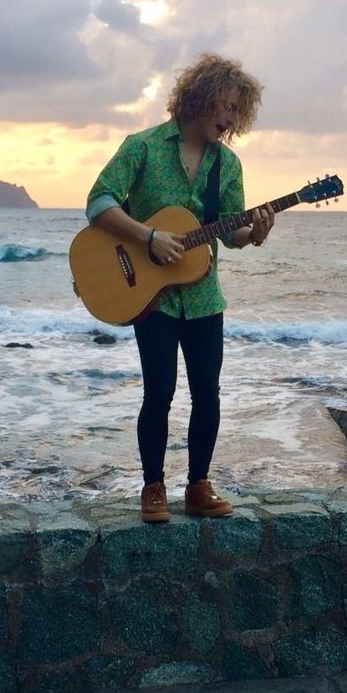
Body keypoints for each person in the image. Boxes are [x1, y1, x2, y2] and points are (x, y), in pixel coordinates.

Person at [85, 53, 275, 523]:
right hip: (153, 297)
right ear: (201, 97)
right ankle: (153, 487)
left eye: (237, 112)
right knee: (159, 393)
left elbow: (230, 233)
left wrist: (255, 233)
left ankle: (198, 485)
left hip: (205, 297)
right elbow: (99, 201)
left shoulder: (226, 166)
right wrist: (147, 236)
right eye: (226, 107)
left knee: (207, 393)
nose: (230, 120)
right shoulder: (143, 147)